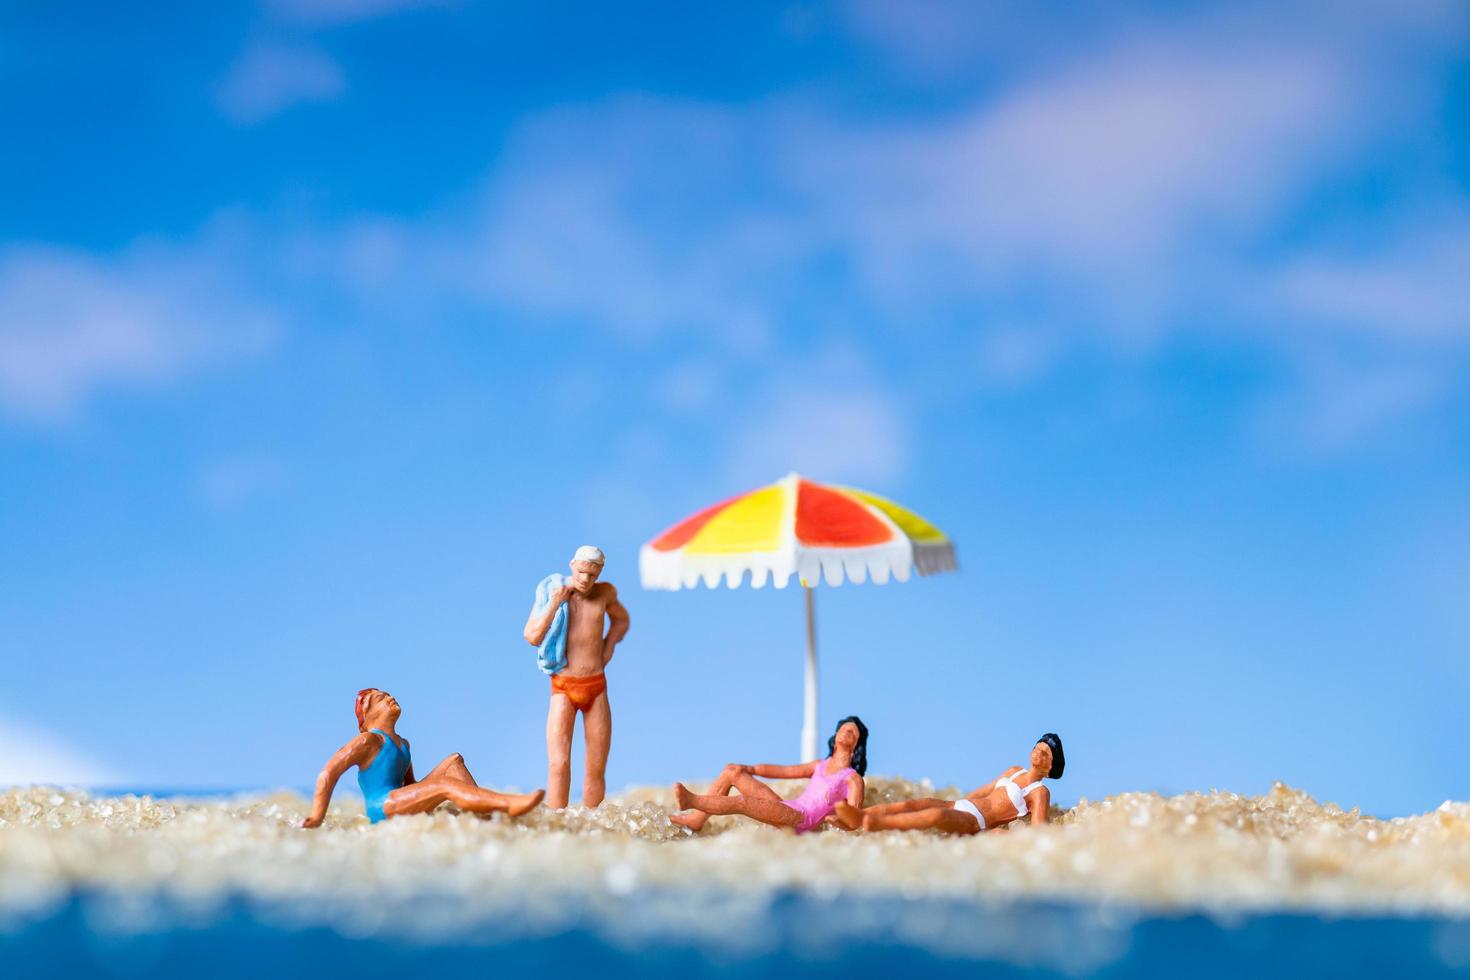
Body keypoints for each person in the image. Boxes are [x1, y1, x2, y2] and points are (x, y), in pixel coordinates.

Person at [302, 688, 544, 827]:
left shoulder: (403, 744)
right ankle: (507, 804)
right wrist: (316, 816)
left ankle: (485, 816)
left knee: (453, 761)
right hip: (383, 807)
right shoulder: (368, 741)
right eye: (379, 699)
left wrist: (428, 795)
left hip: (401, 799)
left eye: (387, 694)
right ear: (366, 717)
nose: (389, 697)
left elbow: (412, 787)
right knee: (444, 786)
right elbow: (328, 773)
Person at [522, 546, 630, 808]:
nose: (585, 580)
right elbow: (532, 636)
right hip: (564, 688)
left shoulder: (605, 593)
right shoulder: (554, 591)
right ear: (572, 566)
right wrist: (556, 603)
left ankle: (592, 823)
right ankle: (558, 820)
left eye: (592, 575)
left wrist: (609, 645)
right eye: (581, 572)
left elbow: (622, 620)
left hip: (596, 687)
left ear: (599, 573)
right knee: (559, 763)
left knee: (595, 765)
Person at [835, 733, 1064, 834]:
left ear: (1050, 766)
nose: (1038, 753)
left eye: (1045, 753)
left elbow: (1037, 832)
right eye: (1037, 747)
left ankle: (872, 823)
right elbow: (985, 789)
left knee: (935, 817)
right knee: (916, 804)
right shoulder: (1014, 771)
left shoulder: (1040, 792)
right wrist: (960, 800)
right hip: (963, 805)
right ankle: (857, 817)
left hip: (977, 821)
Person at [670, 717, 868, 833]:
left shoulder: (852, 779)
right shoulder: (819, 765)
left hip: (800, 820)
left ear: (856, 746)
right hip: (788, 808)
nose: (847, 732)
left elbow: (854, 819)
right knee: (733, 771)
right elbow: (784, 771)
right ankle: (696, 819)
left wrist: (840, 822)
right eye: (844, 728)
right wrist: (752, 769)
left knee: (743, 802)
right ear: (834, 738)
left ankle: (693, 801)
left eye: (852, 732)